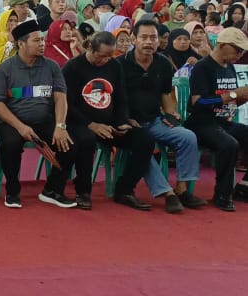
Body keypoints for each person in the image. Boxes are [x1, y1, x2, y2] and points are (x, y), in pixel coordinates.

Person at [0, 19, 88, 209]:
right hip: (10, 120)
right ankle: (12, 190)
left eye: (42, 40)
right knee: (11, 142)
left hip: (43, 119)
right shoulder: (5, 69)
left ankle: (52, 190)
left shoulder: (52, 67)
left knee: (70, 144)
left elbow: (60, 98)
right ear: (21, 44)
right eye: (36, 41)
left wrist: (60, 126)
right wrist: (20, 127)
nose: (42, 44)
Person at [62, 31, 155, 211]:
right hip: (80, 123)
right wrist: (91, 124)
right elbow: (67, 104)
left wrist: (122, 121)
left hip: (109, 123)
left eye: (109, 56)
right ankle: (83, 191)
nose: (105, 60)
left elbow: (120, 97)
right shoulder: (73, 67)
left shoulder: (114, 66)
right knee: (86, 140)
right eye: (101, 56)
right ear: (90, 47)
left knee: (145, 139)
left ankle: (125, 189)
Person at [122, 19, 207, 213]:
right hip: (130, 124)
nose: (149, 42)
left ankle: (182, 189)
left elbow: (166, 95)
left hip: (155, 120)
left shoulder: (162, 63)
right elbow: (116, 98)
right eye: (143, 37)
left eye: (153, 37)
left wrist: (171, 116)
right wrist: (124, 118)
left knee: (188, 136)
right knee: (144, 144)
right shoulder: (121, 64)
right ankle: (166, 192)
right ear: (134, 39)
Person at [184, 27, 248, 212]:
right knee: (229, 144)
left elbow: (231, 101)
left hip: (222, 121)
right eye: (237, 49)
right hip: (200, 122)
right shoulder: (202, 67)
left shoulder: (230, 67)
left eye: (242, 50)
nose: (240, 53)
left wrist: (242, 97)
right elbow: (198, 102)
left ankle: (243, 187)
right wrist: (234, 94)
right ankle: (222, 194)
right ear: (221, 45)